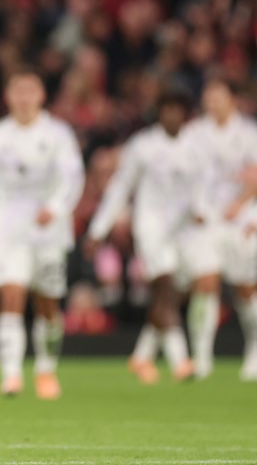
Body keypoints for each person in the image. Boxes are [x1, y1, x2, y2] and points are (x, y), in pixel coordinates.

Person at [0, 69, 85, 400]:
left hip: (48, 228)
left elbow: (73, 176)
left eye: (29, 91)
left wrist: (56, 207)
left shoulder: (58, 133)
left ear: (41, 96)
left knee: (47, 302)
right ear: (8, 97)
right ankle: (11, 375)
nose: (23, 98)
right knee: (11, 294)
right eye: (17, 91)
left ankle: (46, 368)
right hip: (9, 226)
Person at [84, 89, 197, 384]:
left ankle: (142, 356)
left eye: (177, 109)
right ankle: (180, 360)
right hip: (151, 226)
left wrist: (205, 211)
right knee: (166, 286)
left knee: (169, 294)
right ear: (159, 112)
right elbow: (121, 188)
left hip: (184, 230)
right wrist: (98, 229)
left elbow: (203, 187)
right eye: (166, 109)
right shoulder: (143, 146)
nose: (172, 115)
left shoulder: (196, 145)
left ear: (185, 113)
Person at [182, 77, 257, 381]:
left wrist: (241, 201)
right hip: (205, 222)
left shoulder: (249, 132)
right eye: (208, 96)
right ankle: (202, 358)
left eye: (218, 96)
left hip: (241, 222)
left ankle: (255, 350)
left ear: (232, 99)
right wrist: (192, 206)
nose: (212, 102)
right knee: (204, 284)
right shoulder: (194, 133)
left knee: (245, 289)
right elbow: (182, 173)